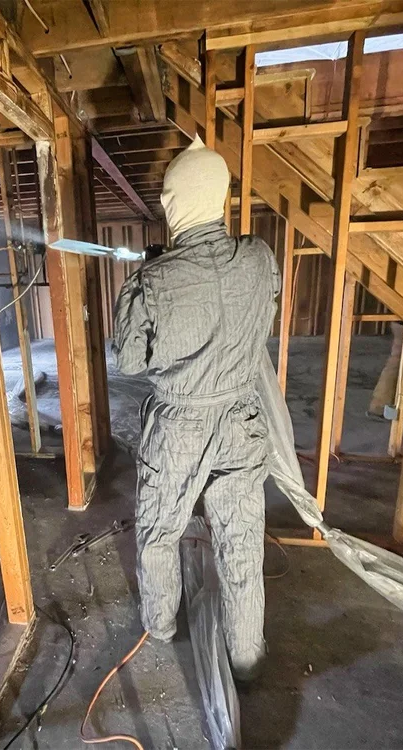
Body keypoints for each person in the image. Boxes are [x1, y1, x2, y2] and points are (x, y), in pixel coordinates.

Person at [113, 135, 279, 681]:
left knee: (160, 531)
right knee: (240, 539)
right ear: (221, 197)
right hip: (241, 417)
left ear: (172, 202)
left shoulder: (152, 281)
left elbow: (131, 361)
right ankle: (247, 656)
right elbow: (258, 323)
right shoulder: (259, 257)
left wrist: (138, 291)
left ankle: (161, 628)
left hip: (180, 423)